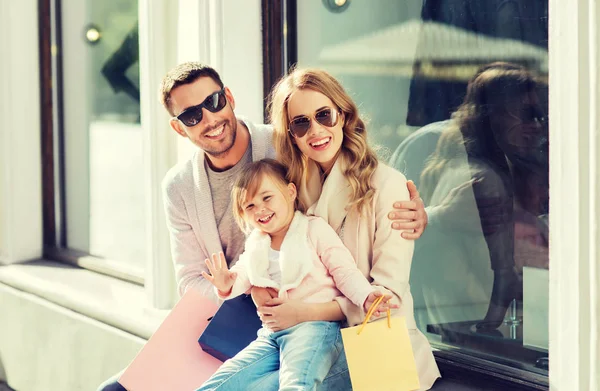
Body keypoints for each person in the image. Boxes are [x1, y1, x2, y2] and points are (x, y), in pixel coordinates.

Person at [97, 62, 429, 391]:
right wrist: (247, 285)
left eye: (213, 103)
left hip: (354, 338)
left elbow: (382, 296)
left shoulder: (282, 153)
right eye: (192, 116)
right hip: (248, 320)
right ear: (179, 127)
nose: (209, 119)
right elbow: (190, 279)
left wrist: (422, 214)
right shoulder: (288, 170)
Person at [268, 67, 441, 390]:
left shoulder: (386, 185)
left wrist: (303, 312)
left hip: (373, 345)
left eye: (324, 115)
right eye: (301, 123)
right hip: (310, 339)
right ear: (291, 134)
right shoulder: (294, 192)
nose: (315, 130)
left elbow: (384, 296)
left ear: (344, 116)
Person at [198, 159, 395, 390]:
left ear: (290, 192)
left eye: (266, 197)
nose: (259, 209)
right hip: (271, 334)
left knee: (296, 384)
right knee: (220, 383)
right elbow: (243, 273)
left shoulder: (313, 229)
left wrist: (365, 295)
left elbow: (344, 271)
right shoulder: (257, 242)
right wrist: (225, 283)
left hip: (314, 328)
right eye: (249, 206)